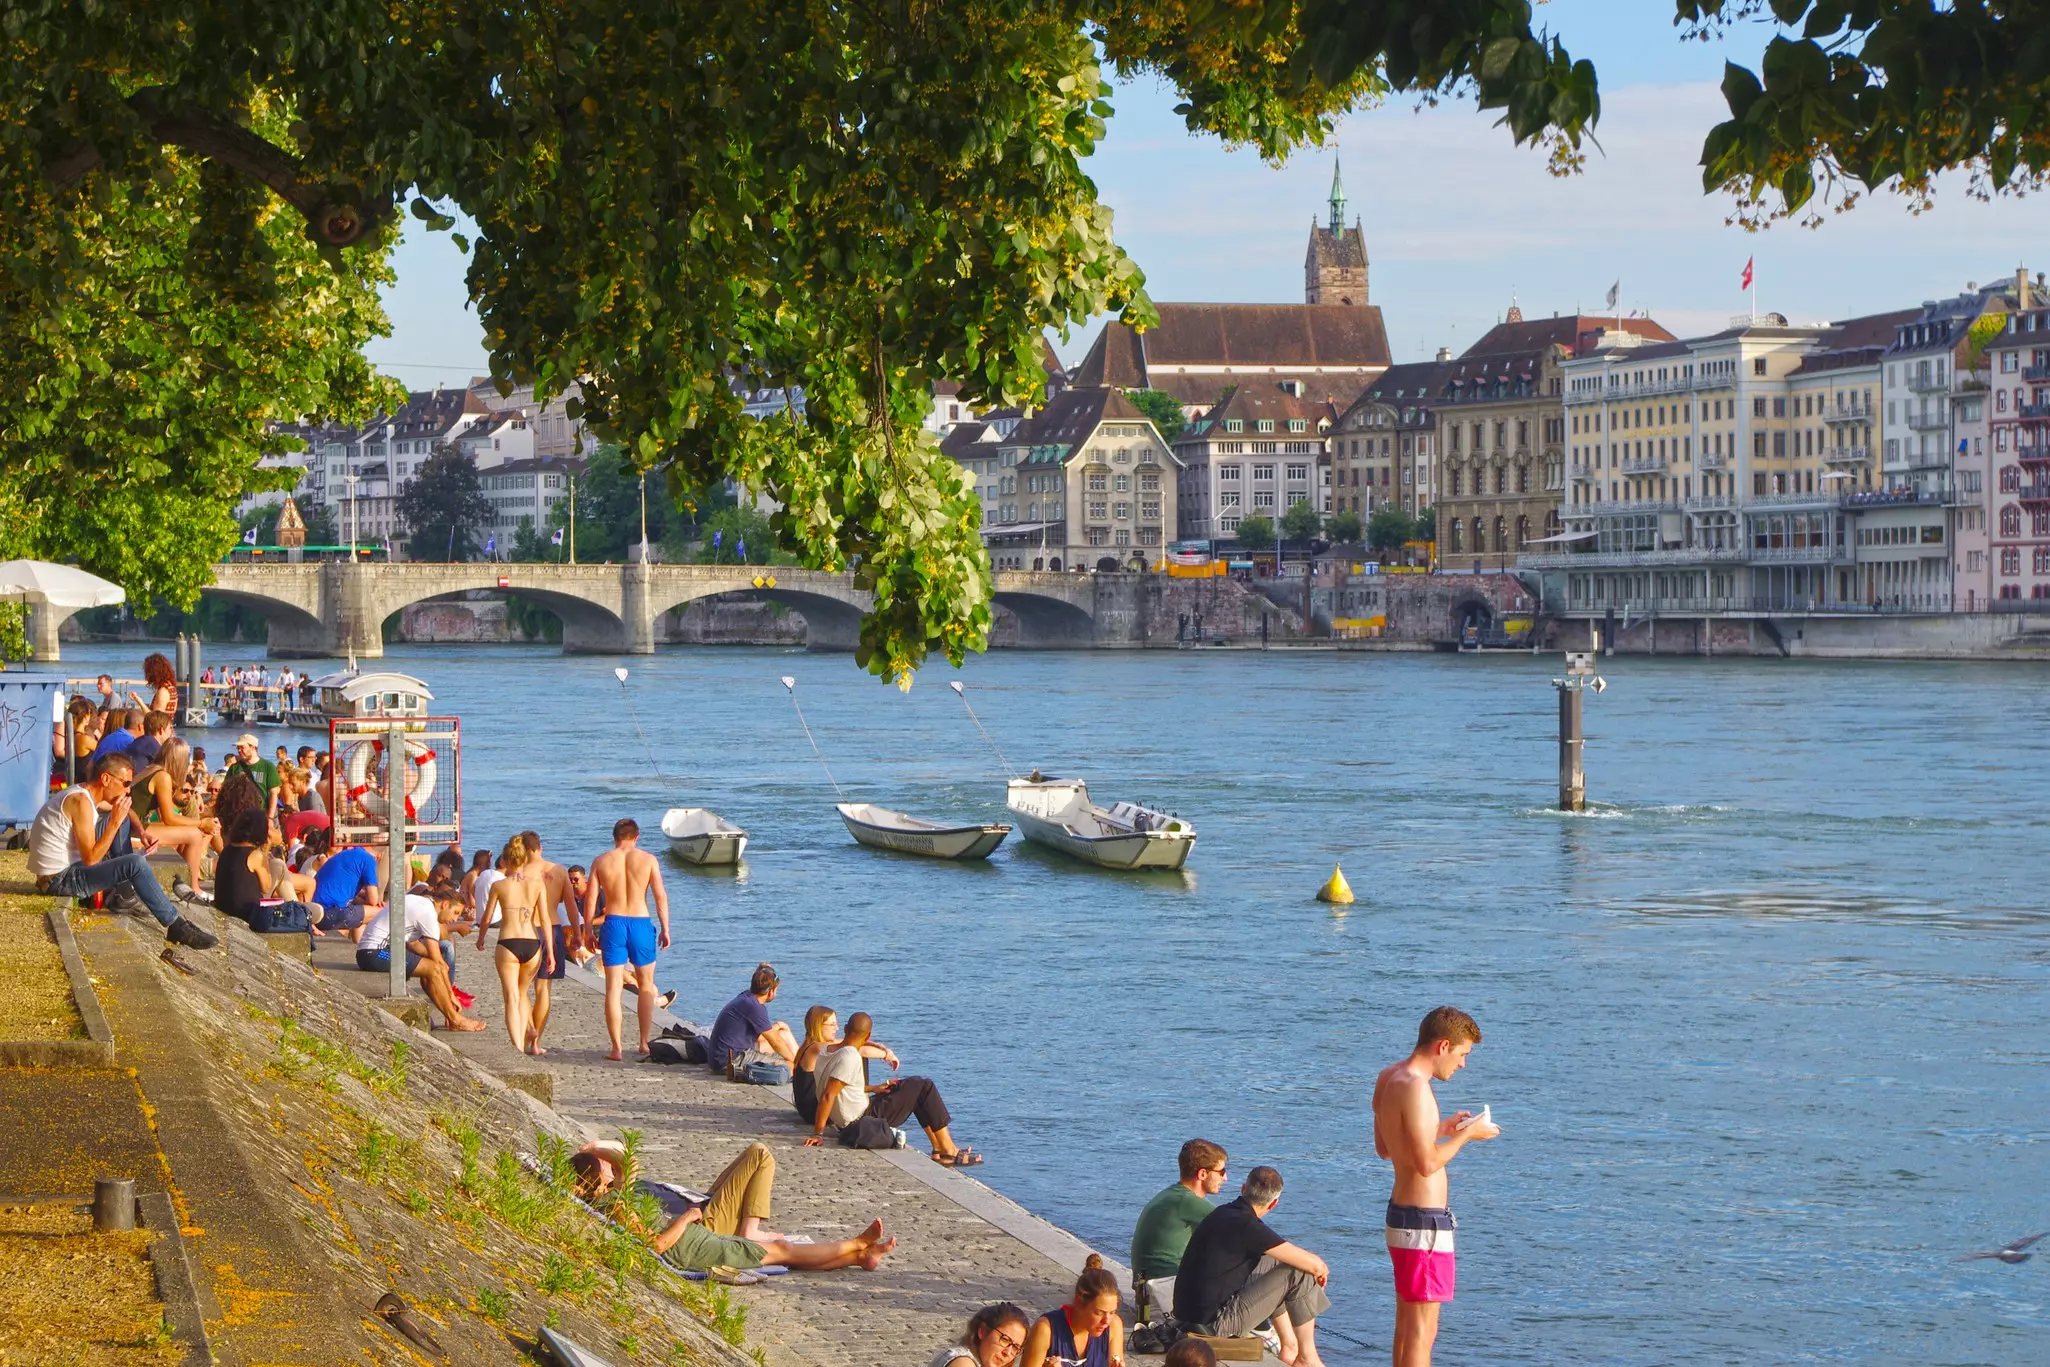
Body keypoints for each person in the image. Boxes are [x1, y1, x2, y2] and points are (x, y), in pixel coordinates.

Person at [1372, 1007, 1497, 1367]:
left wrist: (1442, 1129)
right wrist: (1469, 1135)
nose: (1462, 1065)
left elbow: (1385, 1148)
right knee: (1422, 1331)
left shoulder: (1389, 1076)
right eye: (1462, 1055)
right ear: (1443, 1046)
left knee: (1407, 1326)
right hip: (1424, 1223)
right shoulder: (1417, 1088)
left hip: (1402, 1217)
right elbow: (1427, 1164)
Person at [25, 754, 216, 950]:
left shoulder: (87, 793)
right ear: (106, 779)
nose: (128, 790)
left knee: (123, 818)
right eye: (125, 783)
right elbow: (91, 859)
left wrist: (142, 832)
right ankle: (176, 926)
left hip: (69, 869)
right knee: (134, 863)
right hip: (59, 880)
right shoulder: (80, 802)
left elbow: (128, 811)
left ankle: (125, 890)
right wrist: (114, 822)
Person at [1173, 1167, 1331, 1367]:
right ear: (1273, 1204)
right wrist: (1318, 1274)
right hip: (1213, 1325)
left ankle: (1289, 1346)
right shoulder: (1248, 1227)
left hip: (1187, 1315)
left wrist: (1315, 1271)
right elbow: (1314, 1265)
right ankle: (1307, 1358)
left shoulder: (1224, 1213)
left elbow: (1288, 1255)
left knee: (1280, 1261)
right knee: (1298, 1272)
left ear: (1243, 1188)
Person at [805, 1011, 977, 1165]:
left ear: (845, 1028)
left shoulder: (827, 1052)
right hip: (860, 1120)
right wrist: (818, 1133)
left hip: (853, 1115)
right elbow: (829, 1094)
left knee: (911, 1087)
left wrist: (875, 1088)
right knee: (924, 1086)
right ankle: (949, 1150)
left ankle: (939, 1150)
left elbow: (841, 1088)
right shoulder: (850, 1056)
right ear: (868, 1035)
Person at [572, 1138, 786, 1242]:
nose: (611, 1165)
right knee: (760, 1153)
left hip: (701, 1201)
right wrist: (594, 1146)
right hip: (708, 1221)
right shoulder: (616, 1191)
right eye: (605, 1165)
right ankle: (749, 1231)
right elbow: (629, 1158)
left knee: (749, 1155)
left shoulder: (618, 1187)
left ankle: (745, 1221)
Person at [584, 817, 670, 1062]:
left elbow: (591, 899)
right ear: (637, 836)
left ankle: (617, 1048)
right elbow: (660, 896)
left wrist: (588, 929)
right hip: (641, 923)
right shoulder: (648, 860)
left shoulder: (601, 861)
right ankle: (643, 1043)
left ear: (614, 837)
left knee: (613, 988)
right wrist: (665, 929)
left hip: (614, 923)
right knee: (646, 986)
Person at [358, 885, 482, 1031]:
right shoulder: (427, 912)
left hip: (372, 951)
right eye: (455, 913)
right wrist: (450, 994)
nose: (454, 919)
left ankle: (451, 1016)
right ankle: (456, 1019)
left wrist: (442, 968)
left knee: (431, 969)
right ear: (445, 904)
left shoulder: (419, 903)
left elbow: (414, 945)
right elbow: (436, 961)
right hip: (374, 952)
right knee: (434, 968)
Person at [477, 834, 553, 1054]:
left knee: (511, 997)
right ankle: (527, 1031)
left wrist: (481, 938)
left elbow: (487, 917)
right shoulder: (537, 885)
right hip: (532, 943)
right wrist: (552, 953)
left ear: (507, 861)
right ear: (524, 860)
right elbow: (545, 919)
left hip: (508, 942)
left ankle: (517, 1047)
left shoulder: (499, 885)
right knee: (522, 994)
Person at [1132, 1139, 1227, 1288]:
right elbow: (1239, 1227)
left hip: (1148, 1290)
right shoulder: (1186, 1201)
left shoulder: (1171, 1195)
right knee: (1271, 1264)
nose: (1225, 1178)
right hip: (1164, 1293)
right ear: (1202, 1174)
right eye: (1222, 1172)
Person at [130, 737, 221, 892]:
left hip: (132, 823)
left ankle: (182, 881)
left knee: (186, 833)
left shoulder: (152, 769)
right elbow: (169, 818)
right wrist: (202, 823)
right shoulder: (163, 777)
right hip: (135, 828)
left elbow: (163, 812)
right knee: (195, 835)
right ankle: (193, 887)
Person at [519, 830, 580, 1057]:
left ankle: (527, 1029)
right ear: (540, 847)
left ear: (523, 849)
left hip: (526, 929)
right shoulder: (560, 871)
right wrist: (577, 933)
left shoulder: (520, 872)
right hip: (552, 929)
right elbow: (571, 907)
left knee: (521, 987)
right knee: (543, 988)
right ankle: (535, 1044)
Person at [214, 809, 320, 933]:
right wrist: (265, 850)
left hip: (225, 907)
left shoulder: (227, 849)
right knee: (318, 911)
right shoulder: (256, 855)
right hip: (248, 913)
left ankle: (296, 909)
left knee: (278, 865)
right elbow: (266, 887)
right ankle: (298, 913)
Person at [791, 1004, 898, 1124]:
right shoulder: (815, 1048)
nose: (836, 1029)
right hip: (813, 1111)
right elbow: (862, 1049)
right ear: (818, 1026)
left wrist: (873, 1087)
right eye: (832, 1025)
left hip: (812, 1107)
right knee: (853, 1055)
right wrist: (887, 1055)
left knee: (850, 1054)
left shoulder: (811, 1046)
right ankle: (858, 1108)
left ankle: (859, 1100)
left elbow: (857, 1040)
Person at [1019, 1256, 1123, 1367]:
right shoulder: (1045, 1330)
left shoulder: (1113, 1326)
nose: (1106, 1321)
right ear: (1079, 1301)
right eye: (1099, 1313)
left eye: (1112, 1312)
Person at [706, 963, 799, 1073]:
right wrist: (794, 1061)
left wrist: (779, 1026)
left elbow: (761, 1037)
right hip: (730, 1061)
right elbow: (775, 1041)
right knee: (790, 1066)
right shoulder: (754, 1007)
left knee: (783, 1034)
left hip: (722, 1056)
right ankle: (802, 1065)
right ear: (771, 991)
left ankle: (804, 1061)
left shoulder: (747, 997)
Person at [309, 838, 383, 936]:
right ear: (379, 857)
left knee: (360, 909)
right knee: (381, 911)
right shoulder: (368, 859)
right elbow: (373, 900)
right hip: (328, 913)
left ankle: (357, 943)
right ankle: (367, 946)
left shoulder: (346, 853)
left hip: (314, 910)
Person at [930, 1303, 1031, 1367]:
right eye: (1005, 1339)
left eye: (1015, 1347)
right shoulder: (963, 1363)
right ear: (982, 1332)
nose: (1008, 1353)